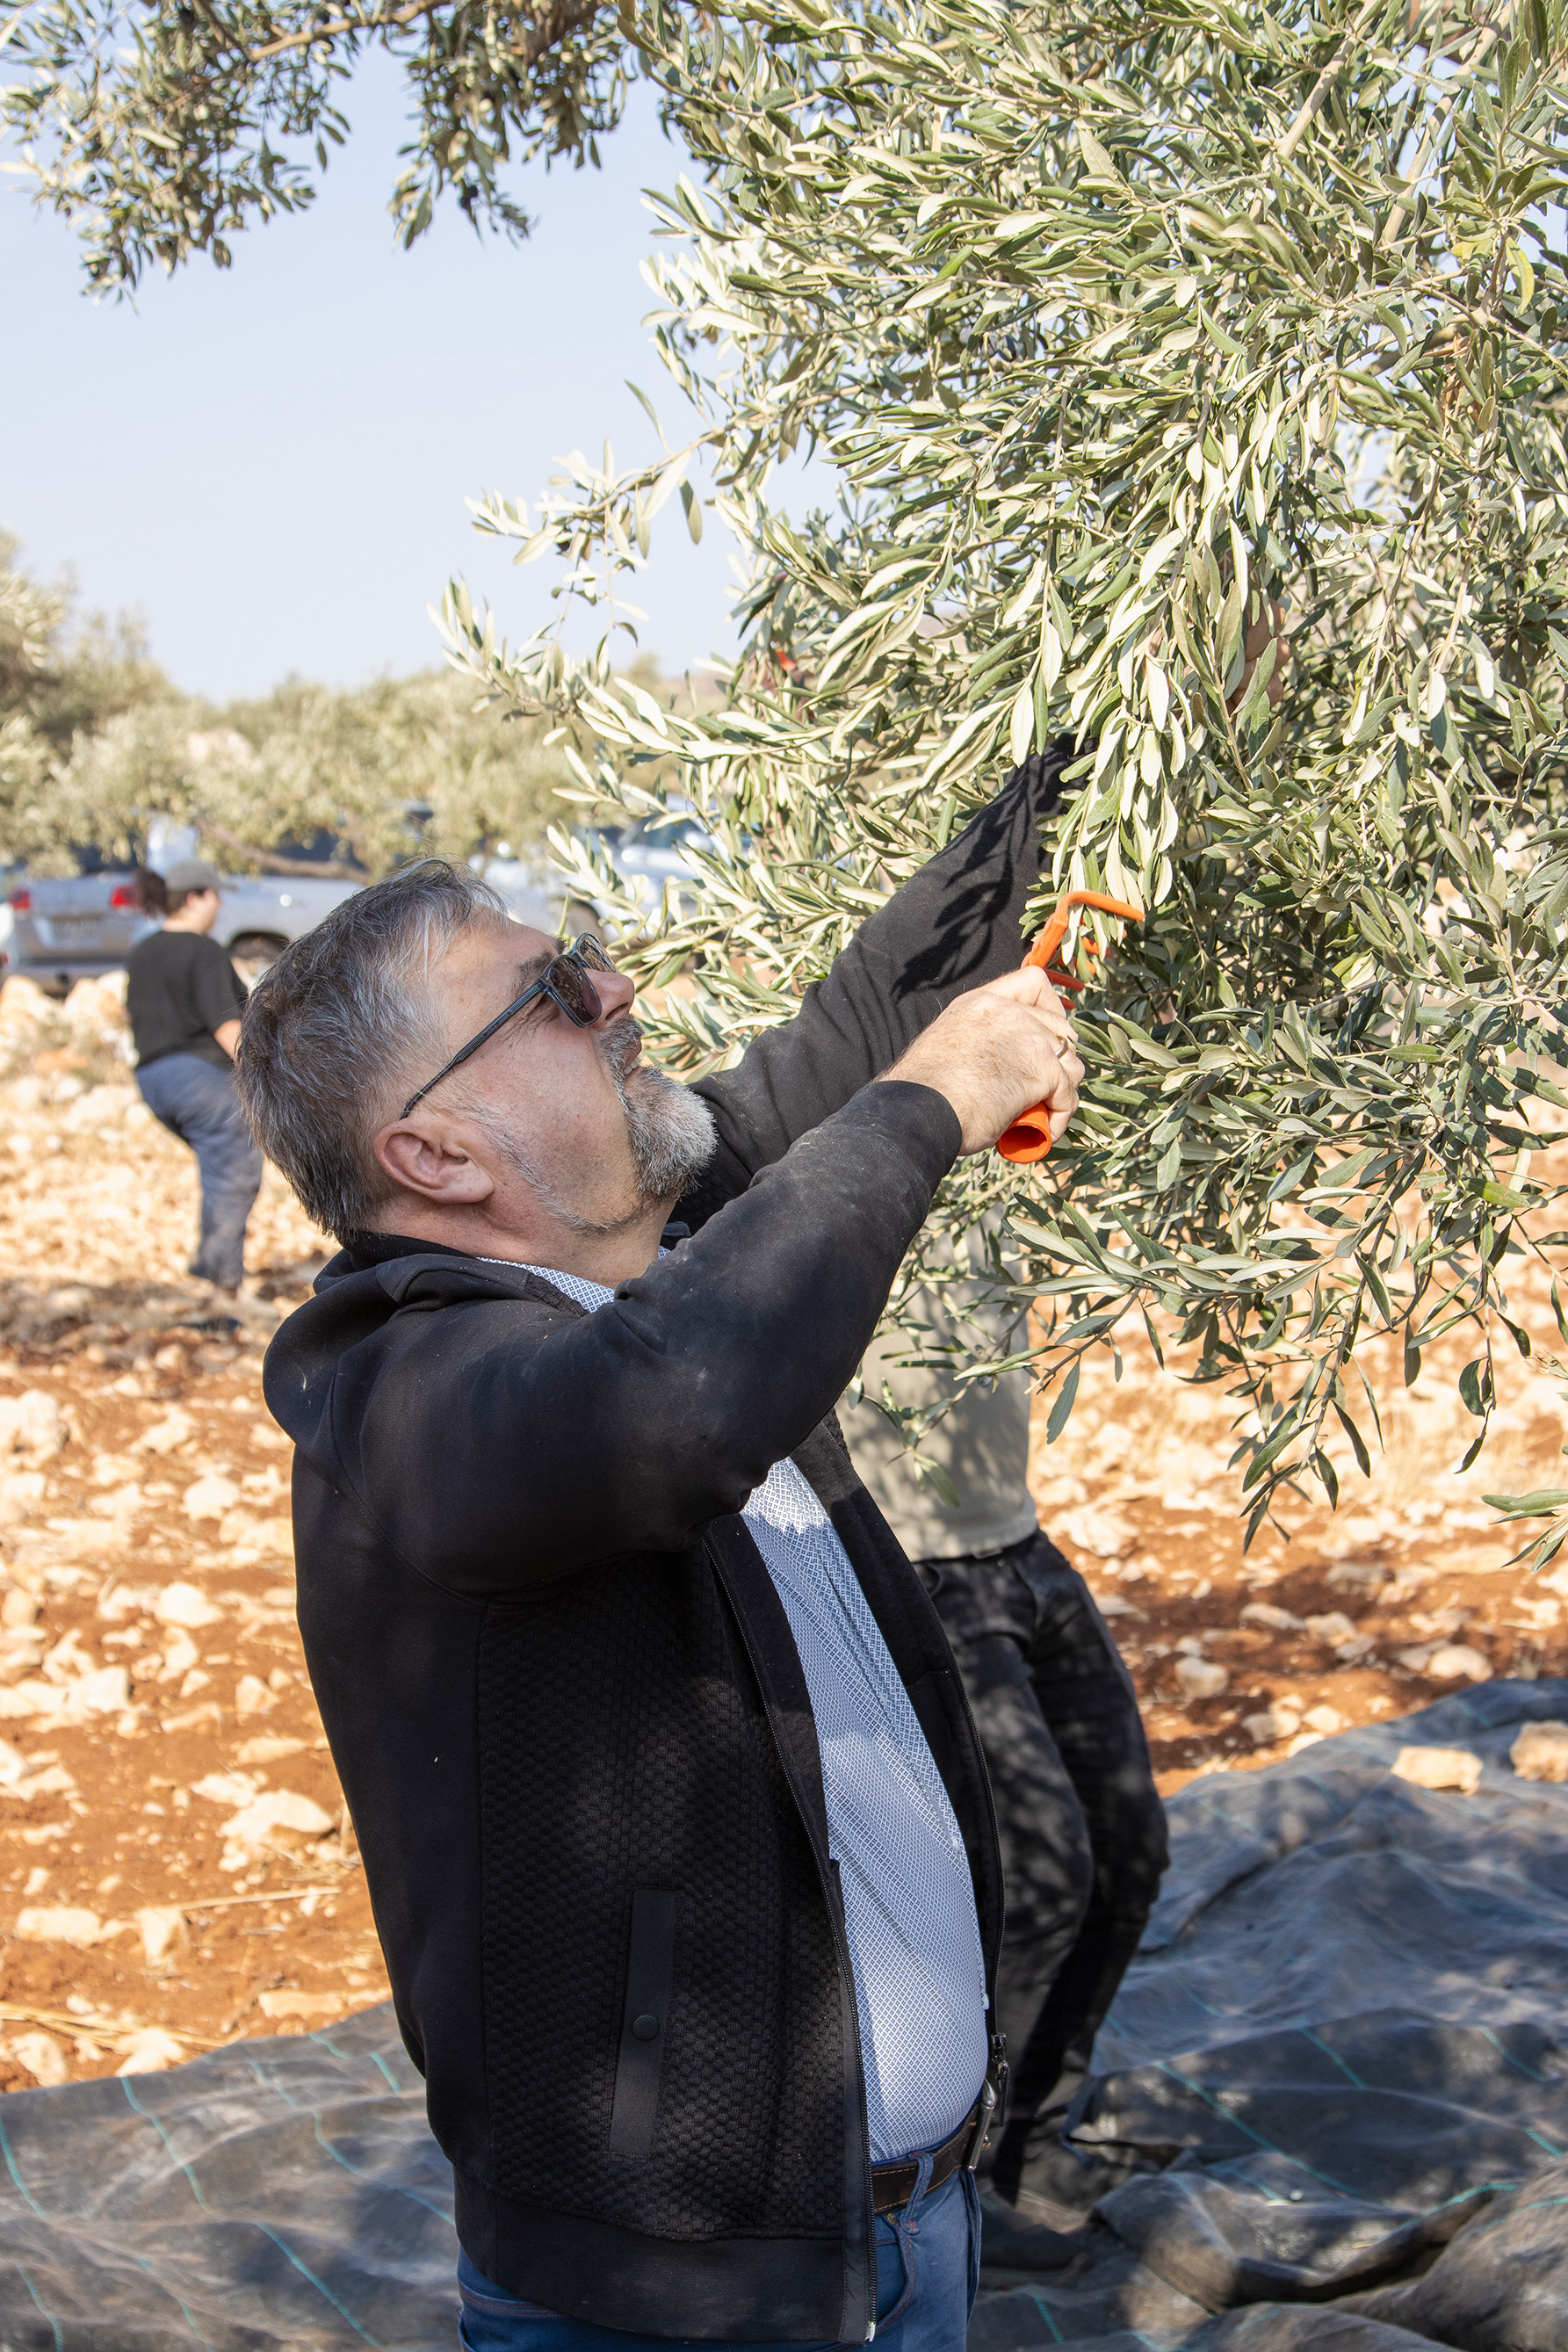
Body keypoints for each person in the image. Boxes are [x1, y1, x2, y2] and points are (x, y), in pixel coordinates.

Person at [234, 748, 1083, 2352]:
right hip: (678, 2309)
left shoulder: (666, 1257)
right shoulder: (396, 1390)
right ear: (437, 1151)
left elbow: (866, 1018)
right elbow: (661, 1408)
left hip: (910, 2239)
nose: (616, 983)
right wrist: (933, 1105)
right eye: (551, 989)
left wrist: (1078, 754)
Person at [840, 1290, 1168, 2215]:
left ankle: (1033, 2138)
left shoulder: (1005, 1153)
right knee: (1036, 1880)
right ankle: (962, 2186)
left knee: (1130, 1851)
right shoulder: (842, 1146)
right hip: (916, 1569)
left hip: (1022, 1550)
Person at [127, 858, 264, 1299]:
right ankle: (218, 1286)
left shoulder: (142, 952)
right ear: (194, 897)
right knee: (237, 1166)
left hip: (153, 1079)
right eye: (215, 895)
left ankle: (212, 1266)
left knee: (218, 1167)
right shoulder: (203, 950)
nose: (220, 905)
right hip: (197, 1077)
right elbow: (228, 1029)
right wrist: (269, 1080)